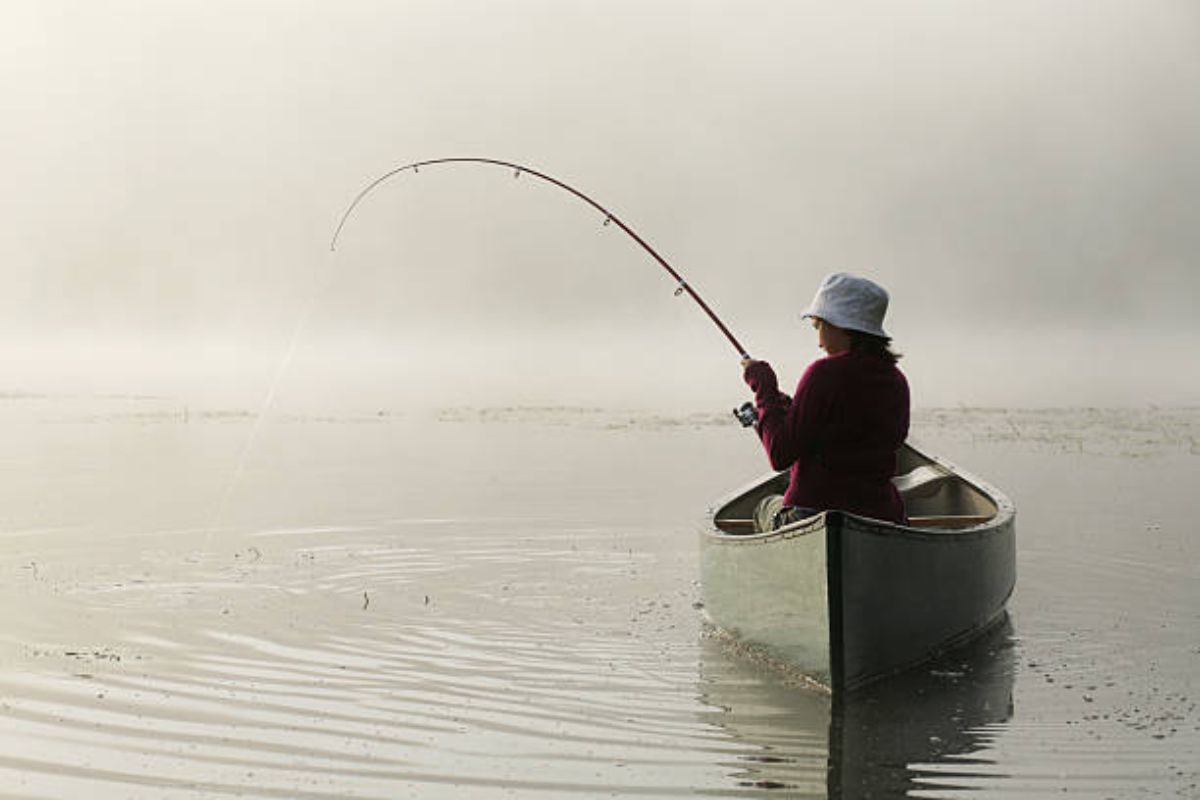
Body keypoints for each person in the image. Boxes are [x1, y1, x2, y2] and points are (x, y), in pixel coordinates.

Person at [741, 272, 909, 531]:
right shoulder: (895, 380)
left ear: (842, 326)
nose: (818, 338)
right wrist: (789, 406)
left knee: (764, 507)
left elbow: (780, 454)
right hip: (881, 515)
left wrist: (764, 385)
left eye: (818, 325)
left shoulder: (823, 374)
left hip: (813, 515)